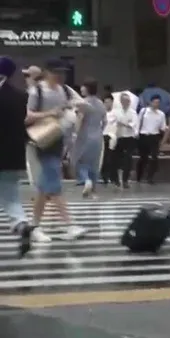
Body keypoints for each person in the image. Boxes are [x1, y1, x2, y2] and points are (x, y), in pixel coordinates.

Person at [25, 59, 87, 244]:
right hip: (42, 140)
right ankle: (70, 225)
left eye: (62, 72)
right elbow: (27, 116)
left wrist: (73, 109)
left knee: (45, 186)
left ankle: (34, 227)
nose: (60, 76)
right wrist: (50, 113)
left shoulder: (65, 90)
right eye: (56, 72)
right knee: (53, 182)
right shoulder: (37, 91)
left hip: (58, 139)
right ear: (47, 72)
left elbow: (82, 105)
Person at [0, 57, 34, 257]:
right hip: (14, 156)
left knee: (8, 195)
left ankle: (21, 225)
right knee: (11, 196)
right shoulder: (21, 96)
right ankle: (22, 225)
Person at [73, 78, 106, 197]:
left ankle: (85, 180)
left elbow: (79, 119)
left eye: (83, 86)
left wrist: (74, 134)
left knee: (80, 161)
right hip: (97, 136)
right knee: (94, 163)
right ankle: (93, 189)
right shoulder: (101, 103)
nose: (81, 88)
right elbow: (105, 121)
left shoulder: (83, 103)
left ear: (86, 88)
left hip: (84, 135)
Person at [136, 95, 167, 184]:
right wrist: (136, 133)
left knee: (154, 157)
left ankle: (150, 177)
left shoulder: (161, 114)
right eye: (155, 102)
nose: (156, 104)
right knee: (143, 158)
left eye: (158, 103)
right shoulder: (144, 111)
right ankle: (139, 176)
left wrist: (165, 129)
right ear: (151, 102)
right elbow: (138, 122)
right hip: (143, 135)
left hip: (154, 136)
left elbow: (163, 127)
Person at [113, 93, 139, 189]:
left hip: (129, 137)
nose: (126, 103)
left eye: (128, 101)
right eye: (124, 101)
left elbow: (134, 125)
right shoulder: (116, 111)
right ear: (121, 101)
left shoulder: (133, 112)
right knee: (115, 159)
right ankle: (115, 179)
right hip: (119, 137)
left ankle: (125, 180)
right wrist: (122, 124)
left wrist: (124, 124)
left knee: (128, 159)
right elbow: (113, 122)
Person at [100, 95, 118, 185]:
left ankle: (113, 177)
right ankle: (105, 177)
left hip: (112, 137)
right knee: (104, 158)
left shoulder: (116, 113)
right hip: (102, 136)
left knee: (111, 158)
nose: (108, 104)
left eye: (109, 102)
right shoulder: (101, 114)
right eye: (106, 102)